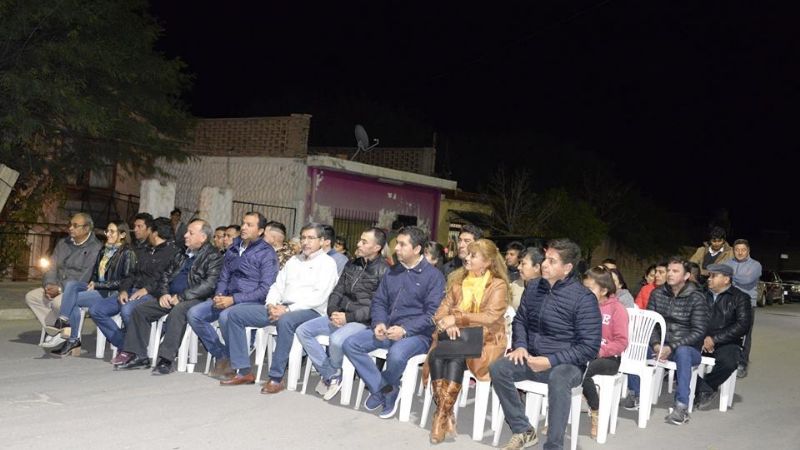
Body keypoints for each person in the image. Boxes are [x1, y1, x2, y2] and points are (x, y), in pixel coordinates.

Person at [490, 239, 601, 450]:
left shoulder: (583, 298)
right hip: (531, 357)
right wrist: (520, 345)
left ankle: (554, 445)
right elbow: (520, 319)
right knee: (498, 368)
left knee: (559, 378)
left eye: (552, 261)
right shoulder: (533, 289)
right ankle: (523, 430)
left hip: (567, 364)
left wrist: (550, 360)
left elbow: (589, 347)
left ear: (567, 268)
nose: (545, 264)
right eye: (545, 259)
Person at [343, 226, 446, 419]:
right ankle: (386, 389)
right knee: (351, 344)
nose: (396, 248)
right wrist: (379, 323)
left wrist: (405, 330)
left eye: (402, 244)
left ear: (417, 249)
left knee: (397, 354)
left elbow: (433, 314)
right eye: (396, 243)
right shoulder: (393, 272)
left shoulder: (434, 277)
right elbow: (380, 301)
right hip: (388, 329)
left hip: (418, 335)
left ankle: (383, 390)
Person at [423, 239, 509, 444]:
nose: (467, 258)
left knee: (451, 356)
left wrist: (458, 319)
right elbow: (441, 310)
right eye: (467, 254)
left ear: (487, 262)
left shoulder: (498, 285)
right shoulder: (458, 280)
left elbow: (490, 317)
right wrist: (447, 323)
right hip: (457, 339)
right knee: (439, 354)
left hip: (485, 342)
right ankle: (445, 413)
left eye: (473, 255)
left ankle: (440, 415)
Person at [115, 219, 224, 372]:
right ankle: (139, 355)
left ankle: (166, 359)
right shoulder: (181, 253)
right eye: (186, 231)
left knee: (178, 311)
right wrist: (164, 293)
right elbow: (165, 275)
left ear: (203, 237)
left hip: (194, 299)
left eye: (190, 233)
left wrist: (182, 296)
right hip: (171, 296)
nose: (185, 235)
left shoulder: (213, 256)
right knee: (140, 310)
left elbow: (209, 285)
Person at [295, 227, 389, 400]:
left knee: (337, 339)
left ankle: (331, 373)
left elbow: (377, 306)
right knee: (303, 330)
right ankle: (332, 374)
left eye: (364, 241)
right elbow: (337, 291)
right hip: (340, 315)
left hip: (361, 321)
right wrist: (333, 312)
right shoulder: (352, 263)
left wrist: (349, 318)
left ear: (377, 248)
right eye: (360, 240)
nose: (358, 244)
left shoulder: (384, 271)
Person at [186, 212, 279, 383]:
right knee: (195, 313)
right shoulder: (234, 248)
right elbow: (224, 276)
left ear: (260, 231)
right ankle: (222, 355)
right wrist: (219, 295)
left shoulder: (267, 253)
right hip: (227, 298)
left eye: (249, 225)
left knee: (227, 316)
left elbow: (266, 289)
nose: (243, 227)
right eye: (243, 223)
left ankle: (242, 369)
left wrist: (234, 299)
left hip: (252, 303)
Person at [625, 257, 709, 426]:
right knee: (634, 347)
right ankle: (636, 394)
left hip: (687, 348)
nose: (670, 274)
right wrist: (656, 344)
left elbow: (699, 331)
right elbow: (650, 324)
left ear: (686, 276)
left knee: (683, 352)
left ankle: (681, 406)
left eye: (675, 271)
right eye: (669, 270)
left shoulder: (696, 298)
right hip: (660, 345)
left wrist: (671, 347)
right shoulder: (658, 293)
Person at [89, 217, 180, 364]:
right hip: (132, 290)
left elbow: (167, 279)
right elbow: (131, 274)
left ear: (154, 233)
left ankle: (132, 351)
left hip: (152, 294)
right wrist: (124, 290)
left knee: (127, 310)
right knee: (96, 309)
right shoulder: (145, 250)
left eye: (148, 230)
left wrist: (146, 289)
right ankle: (125, 345)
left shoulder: (173, 253)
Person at [49, 221, 136, 356]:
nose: (108, 234)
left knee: (71, 299)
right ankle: (64, 320)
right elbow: (96, 273)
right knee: (71, 285)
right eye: (107, 231)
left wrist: (98, 285)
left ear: (123, 234)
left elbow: (125, 280)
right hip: (98, 288)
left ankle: (72, 339)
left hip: (111, 292)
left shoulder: (128, 253)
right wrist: (93, 282)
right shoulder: (104, 249)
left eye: (112, 231)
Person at [27, 212, 103, 349]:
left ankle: (60, 332)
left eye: (75, 225)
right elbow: (52, 266)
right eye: (70, 225)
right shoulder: (63, 243)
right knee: (32, 297)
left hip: (76, 290)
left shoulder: (96, 248)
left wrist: (60, 289)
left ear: (86, 229)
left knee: (58, 302)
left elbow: (84, 277)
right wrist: (49, 284)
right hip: (56, 285)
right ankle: (59, 331)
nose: (70, 228)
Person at [580, 266, 628, 440]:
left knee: (582, 370)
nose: (585, 292)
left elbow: (622, 342)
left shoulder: (617, 309)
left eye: (589, 288)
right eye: (583, 287)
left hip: (609, 359)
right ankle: (559, 415)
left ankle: (596, 410)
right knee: (563, 367)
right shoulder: (583, 306)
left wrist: (601, 351)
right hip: (585, 353)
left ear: (604, 290)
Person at [694, 264, 752, 409]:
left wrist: (715, 339)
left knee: (729, 362)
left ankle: (704, 387)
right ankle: (704, 388)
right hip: (700, 340)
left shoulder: (740, 298)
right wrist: (702, 338)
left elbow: (743, 325)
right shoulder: (701, 294)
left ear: (726, 279)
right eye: (709, 276)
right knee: (676, 356)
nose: (709, 279)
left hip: (726, 342)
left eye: (714, 276)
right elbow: (692, 318)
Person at [723, 239, 761, 378]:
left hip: (747, 304)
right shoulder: (727, 263)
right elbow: (721, 278)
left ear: (748, 251)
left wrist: (730, 276)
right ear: (733, 250)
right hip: (728, 302)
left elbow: (747, 280)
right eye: (737, 249)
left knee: (745, 335)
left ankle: (742, 363)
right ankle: (726, 360)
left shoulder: (756, 265)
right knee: (725, 331)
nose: (740, 252)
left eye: (743, 249)